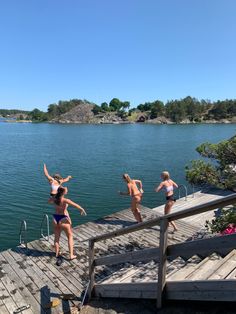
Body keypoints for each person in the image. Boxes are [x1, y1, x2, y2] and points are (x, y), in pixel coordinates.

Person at [49, 186, 87, 265]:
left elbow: (49, 201)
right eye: (66, 190)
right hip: (64, 219)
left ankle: (57, 254)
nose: (67, 190)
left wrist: (53, 196)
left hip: (56, 218)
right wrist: (82, 210)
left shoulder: (55, 199)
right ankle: (71, 255)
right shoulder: (65, 200)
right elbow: (75, 205)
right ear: (63, 192)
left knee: (56, 238)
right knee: (70, 237)